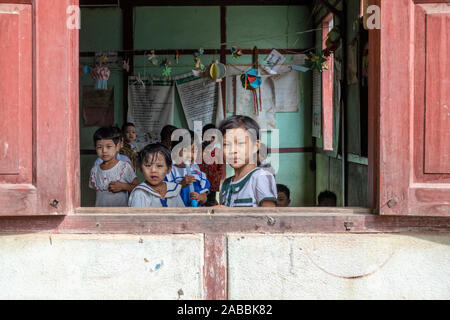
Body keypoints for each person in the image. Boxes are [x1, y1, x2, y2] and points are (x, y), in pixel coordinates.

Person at [218, 115, 277, 207]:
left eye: (241, 143)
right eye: (226, 144)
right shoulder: (226, 184)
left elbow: (270, 218)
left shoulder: (260, 177)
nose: (233, 150)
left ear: (255, 146)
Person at [89, 126, 138, 207]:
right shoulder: (95, 170)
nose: (104, 151)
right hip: (100, 213)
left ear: (118, 146)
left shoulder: (124, 167)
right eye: (99, 147)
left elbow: (137, 188)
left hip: (120, 214)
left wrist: (124, 186)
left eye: (108, 147)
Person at [167, 130, 210, 207]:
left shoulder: (197, 172)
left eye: (194, 151)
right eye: (186, 150)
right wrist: (181, 185)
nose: (190, 155)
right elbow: (164, 196)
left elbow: (205, 197)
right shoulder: (168, 172)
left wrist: (201, 197)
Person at [199, 123, 225, 206]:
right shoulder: (196, 150)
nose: (210, 139)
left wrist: (217, 180)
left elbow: (220, 169)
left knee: (210, 205)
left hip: (212, 186)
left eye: (213, 137)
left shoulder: (218, 152)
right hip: (199, 185)